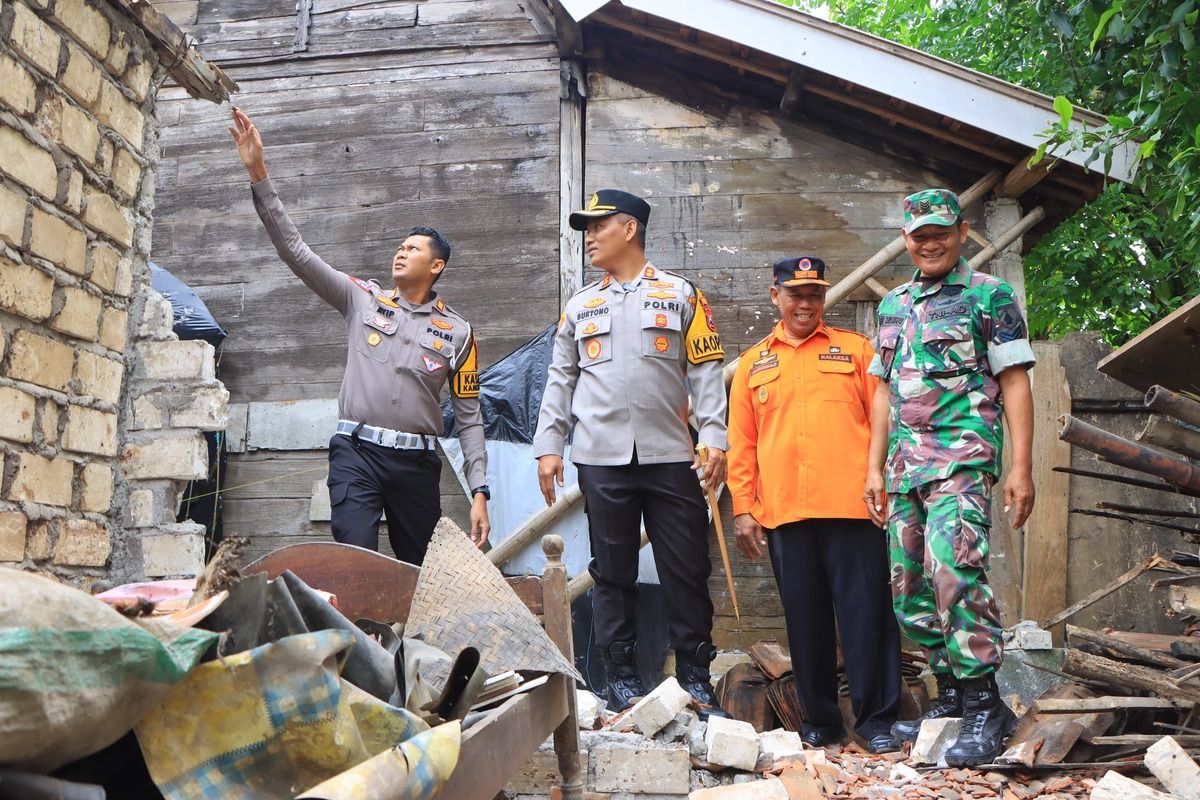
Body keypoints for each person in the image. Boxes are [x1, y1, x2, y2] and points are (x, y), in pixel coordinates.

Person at [228, 108, 490, 564]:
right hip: (357, 454)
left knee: (416, 575)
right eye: (400, 246)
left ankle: (408, 640)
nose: (401, 252)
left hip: (416, 468)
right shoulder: (362, 300)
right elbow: (296, 251)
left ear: (436, 266)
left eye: (413, 249)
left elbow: (468, 417)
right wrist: (258, 173)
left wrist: (480, 489)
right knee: (355, 565)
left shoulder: (460, 334)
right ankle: (359, 637)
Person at [532, 189, 729, 717]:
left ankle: (695, 674)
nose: (589, 237)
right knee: (612, 569)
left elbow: (707, 373)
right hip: (601, 459)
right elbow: (560, 380)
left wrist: (714, 437)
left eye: (598, 226)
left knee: (685, 567)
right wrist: (549, 446)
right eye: (585, 229)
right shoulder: (579, 306)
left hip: (671, 455)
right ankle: (619, 677)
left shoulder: (682, 294)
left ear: (630, 228)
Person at [864, 188, 1036, 766]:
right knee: (908, 588)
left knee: (955, 573)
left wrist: (1019, 468)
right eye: (919, 234)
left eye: (941, 231)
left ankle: (985, 703)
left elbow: (1014, 381)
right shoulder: (893, 306)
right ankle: (954, 692)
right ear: (906, 239)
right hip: (904, 470)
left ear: (961, 232)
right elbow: (883, 395)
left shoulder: (990, 296)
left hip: (960, 462)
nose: (930, 242)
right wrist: (873, 470)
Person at [727, 256, 903, 753]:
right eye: (795, 293)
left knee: (867, 616)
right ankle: (821, 722)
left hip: (854, 508)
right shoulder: (753, 364)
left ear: (823, 298)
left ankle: (877, 721)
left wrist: (883, 482)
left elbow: (884, 424)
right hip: (786, 513)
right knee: (805, 622)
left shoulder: (856, 351)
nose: (805, 303)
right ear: (775, 295)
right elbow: (742, 444)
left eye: (814, 294)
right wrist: (744, 508)